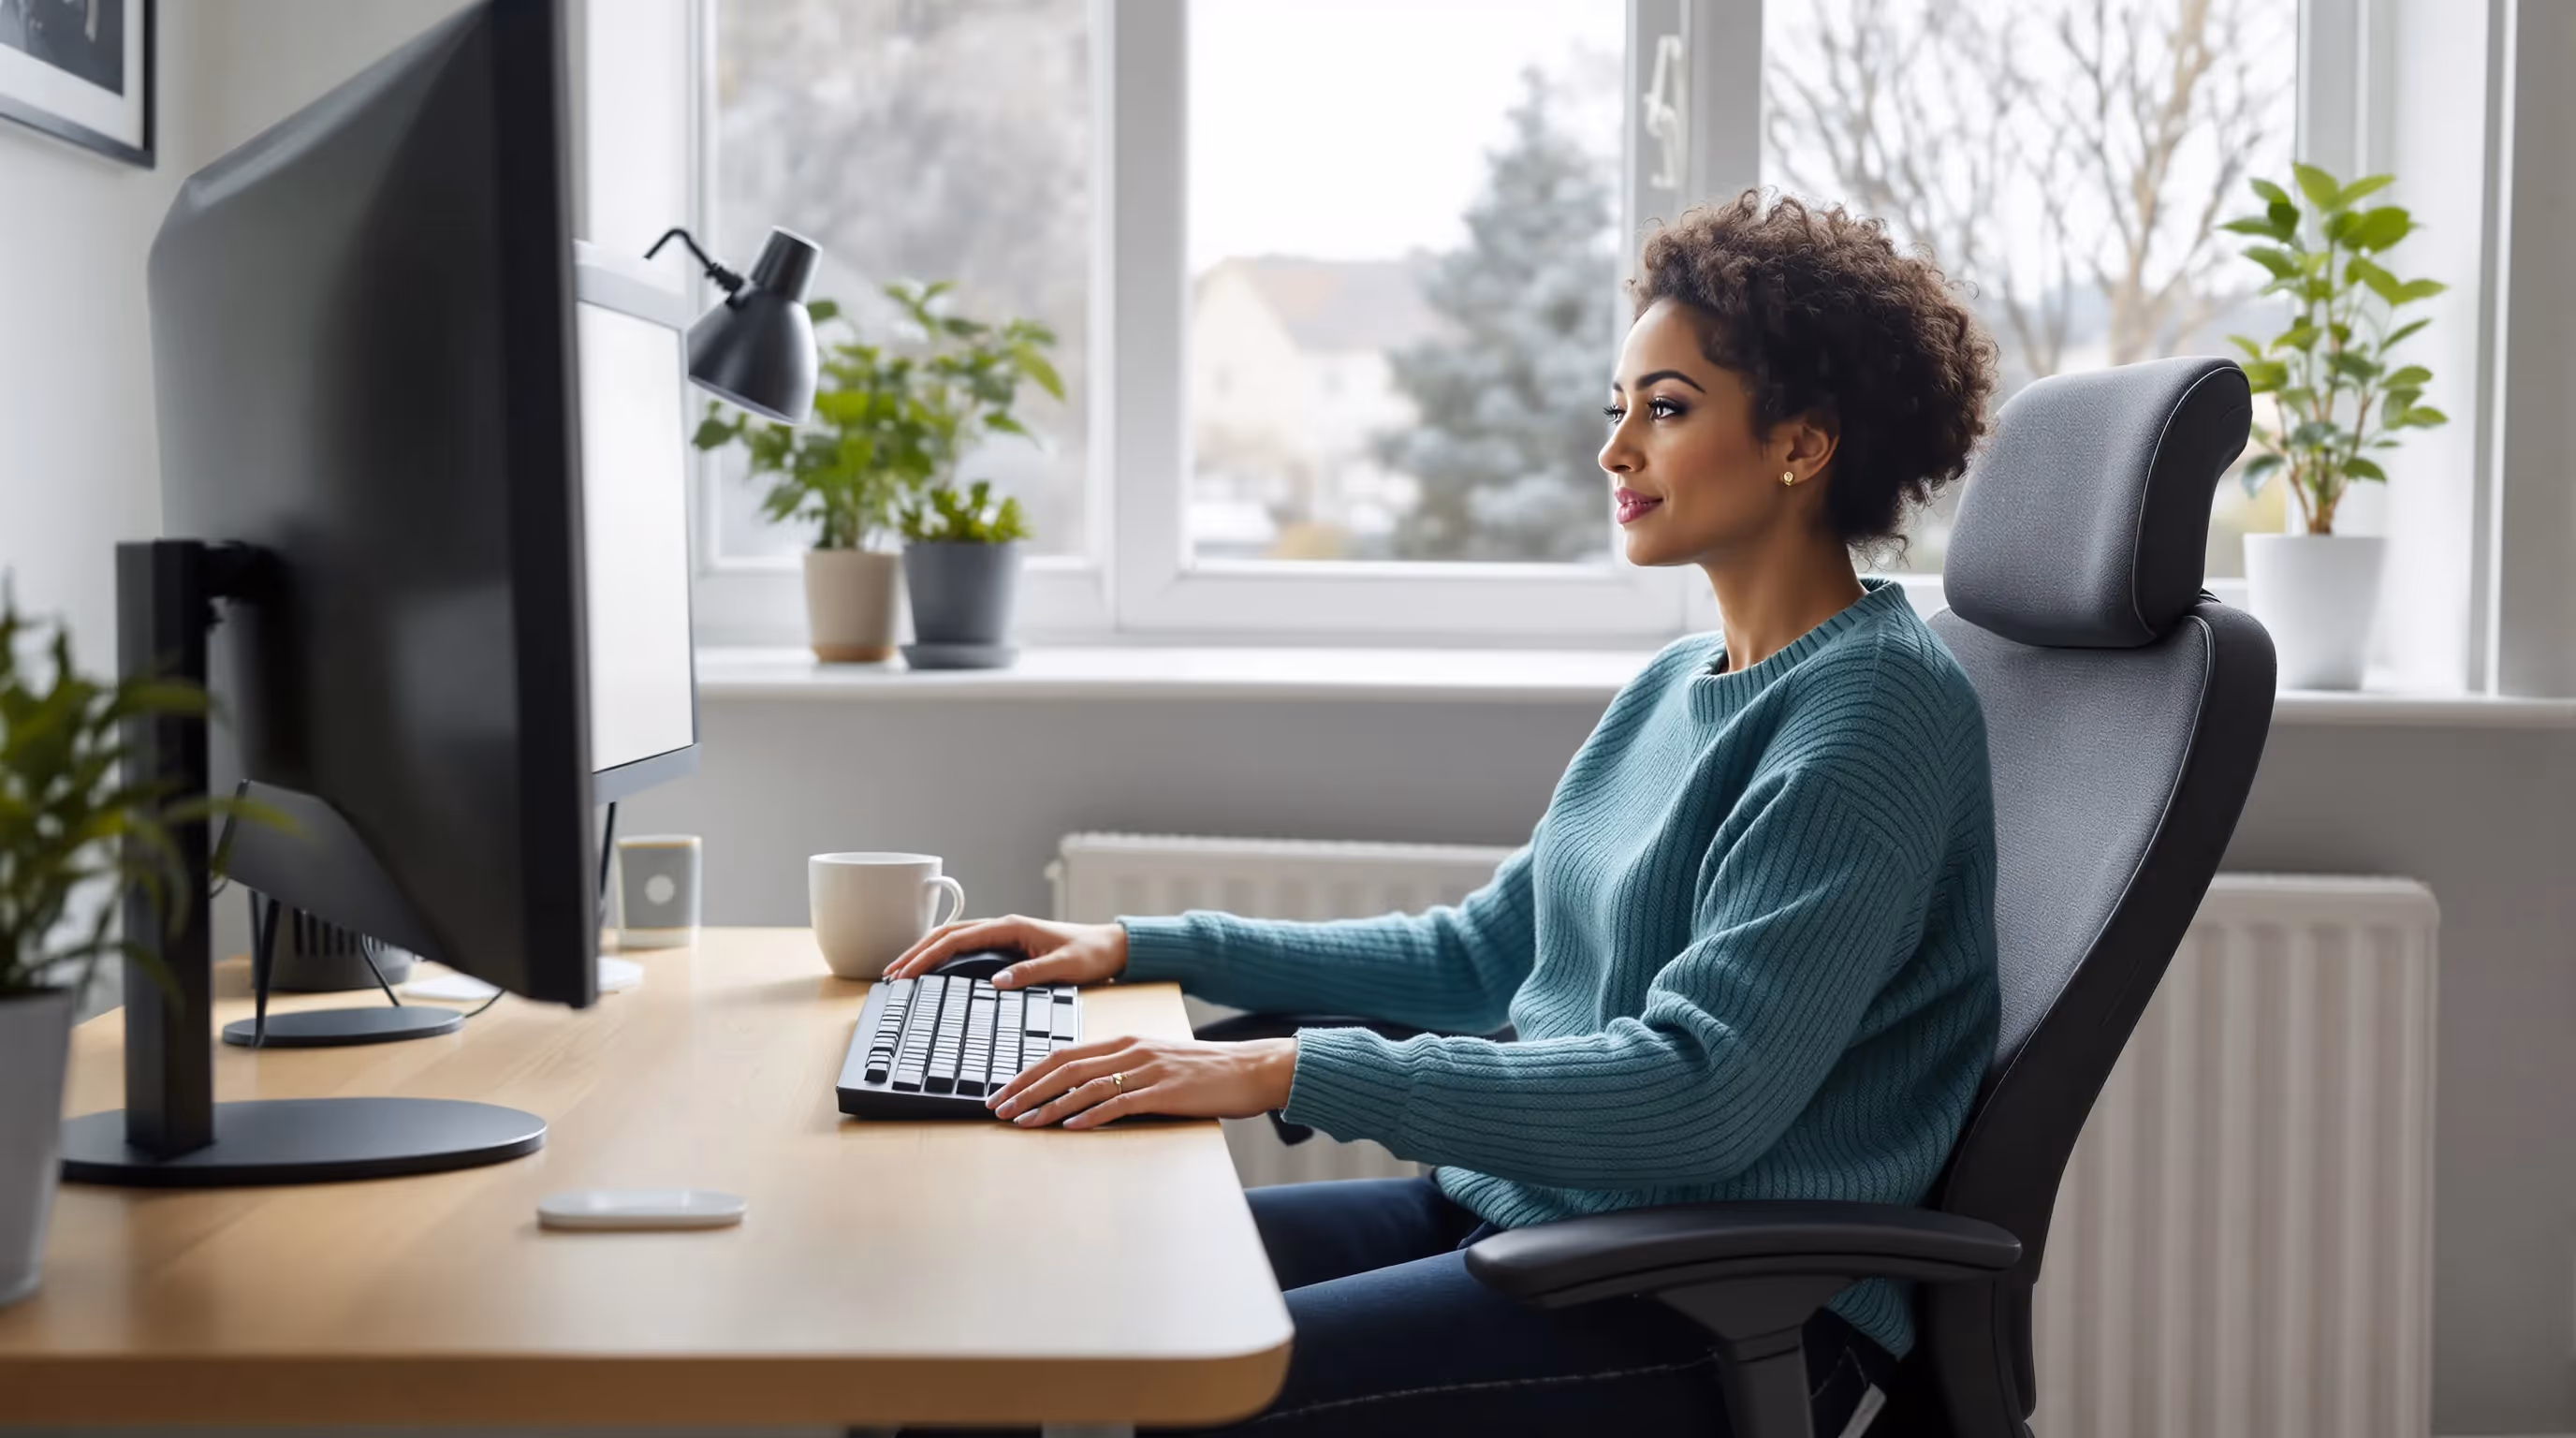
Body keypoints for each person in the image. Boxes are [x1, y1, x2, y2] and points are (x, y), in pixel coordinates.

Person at [886, 188, 2002, 1436]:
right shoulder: (1676, 685)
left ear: (1803, 443)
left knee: (1191, 1373)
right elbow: (1481, 954)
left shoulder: (1872, 717)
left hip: (1707, 1300)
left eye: (1668, 409)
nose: (1615, 450)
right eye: (1617, 409)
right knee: (1005, 1303)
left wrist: (1278, 1066)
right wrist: (1144, 948)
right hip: (1532, 1216)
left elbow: (1702, 1091)